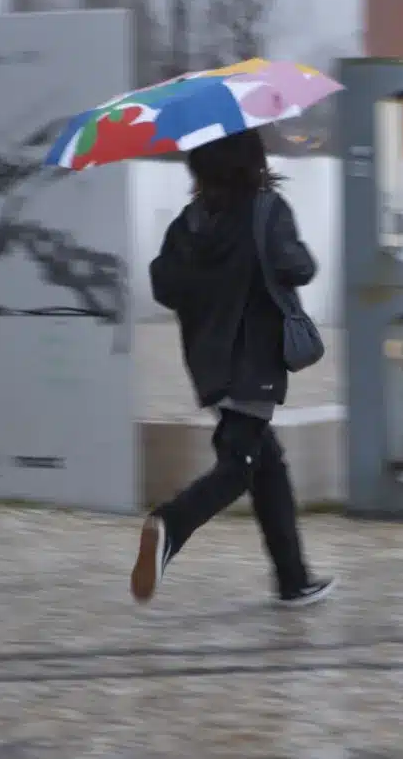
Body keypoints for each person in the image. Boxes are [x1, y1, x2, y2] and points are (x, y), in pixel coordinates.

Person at [130, 128, 335, 608]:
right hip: (254, 359)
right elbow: (299, 268)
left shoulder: (190, 222)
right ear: (253, 158)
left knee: (267, 463)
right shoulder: (265, 210)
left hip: (208, 364)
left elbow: (164, 285)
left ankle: (293, 578)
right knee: (239, 465)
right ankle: (170, 525)